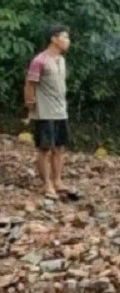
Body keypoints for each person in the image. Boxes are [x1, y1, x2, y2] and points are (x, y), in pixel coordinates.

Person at [24, 26, 71, 199]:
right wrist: (30, 107)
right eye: (64, 37)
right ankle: (46, 184)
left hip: (60, 111)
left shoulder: (61, 60)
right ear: (54, 39)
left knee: (59, 148)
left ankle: (57, 181)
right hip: (44, 111)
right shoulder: (39, 60)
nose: (68, 41)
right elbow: (30, 85)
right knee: (45, 149)